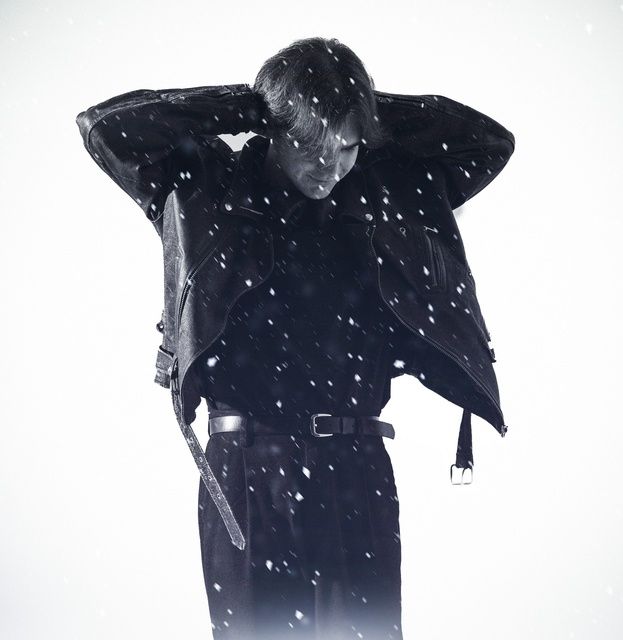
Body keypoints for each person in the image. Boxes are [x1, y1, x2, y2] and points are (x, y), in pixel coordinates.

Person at [76, 35, 515, 640]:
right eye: (312, 145)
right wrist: (255, 104)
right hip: (247, 470)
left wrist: (353, 106)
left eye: (347, 147)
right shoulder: (208, 188)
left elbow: (488, 142)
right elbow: (106, 129)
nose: (330, 166)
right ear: (276, 129)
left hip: (357, 467)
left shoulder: (383, 193)